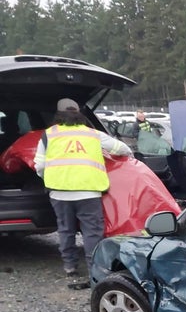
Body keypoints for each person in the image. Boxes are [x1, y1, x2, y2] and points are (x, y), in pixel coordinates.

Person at [34, 98, 133, 290]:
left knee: (65, 230)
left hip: (59, 192)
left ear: (58, 115)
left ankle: (70, 266)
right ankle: (95, 269)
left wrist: (51, 177)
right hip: (88, 192)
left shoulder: (49, 135)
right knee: (92, 233)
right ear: (80, 114)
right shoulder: (93, 134)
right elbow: (123, 149)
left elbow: (39, 166)